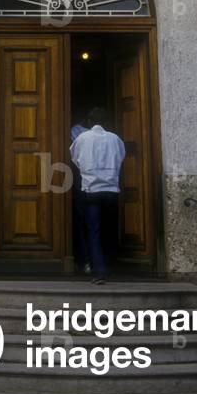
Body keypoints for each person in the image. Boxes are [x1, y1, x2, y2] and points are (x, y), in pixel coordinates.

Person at [70, 108, 125, 284]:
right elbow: (121, 157)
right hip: (111, 189)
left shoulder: (81, 138)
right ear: (106, 122)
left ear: (89, 121)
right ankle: (111, 265)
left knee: (93, 231)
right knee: (109, 229)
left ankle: (99, 271)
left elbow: (75, 159)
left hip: (92, 190)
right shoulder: (115, 139)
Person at [70, 117, 90, 273]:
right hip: (84, 183)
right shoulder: (76, 132)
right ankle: (87, 261)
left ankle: (88, 262)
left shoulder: (79, 135)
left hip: (85, 184)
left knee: (87, 222)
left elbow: (75, 158)